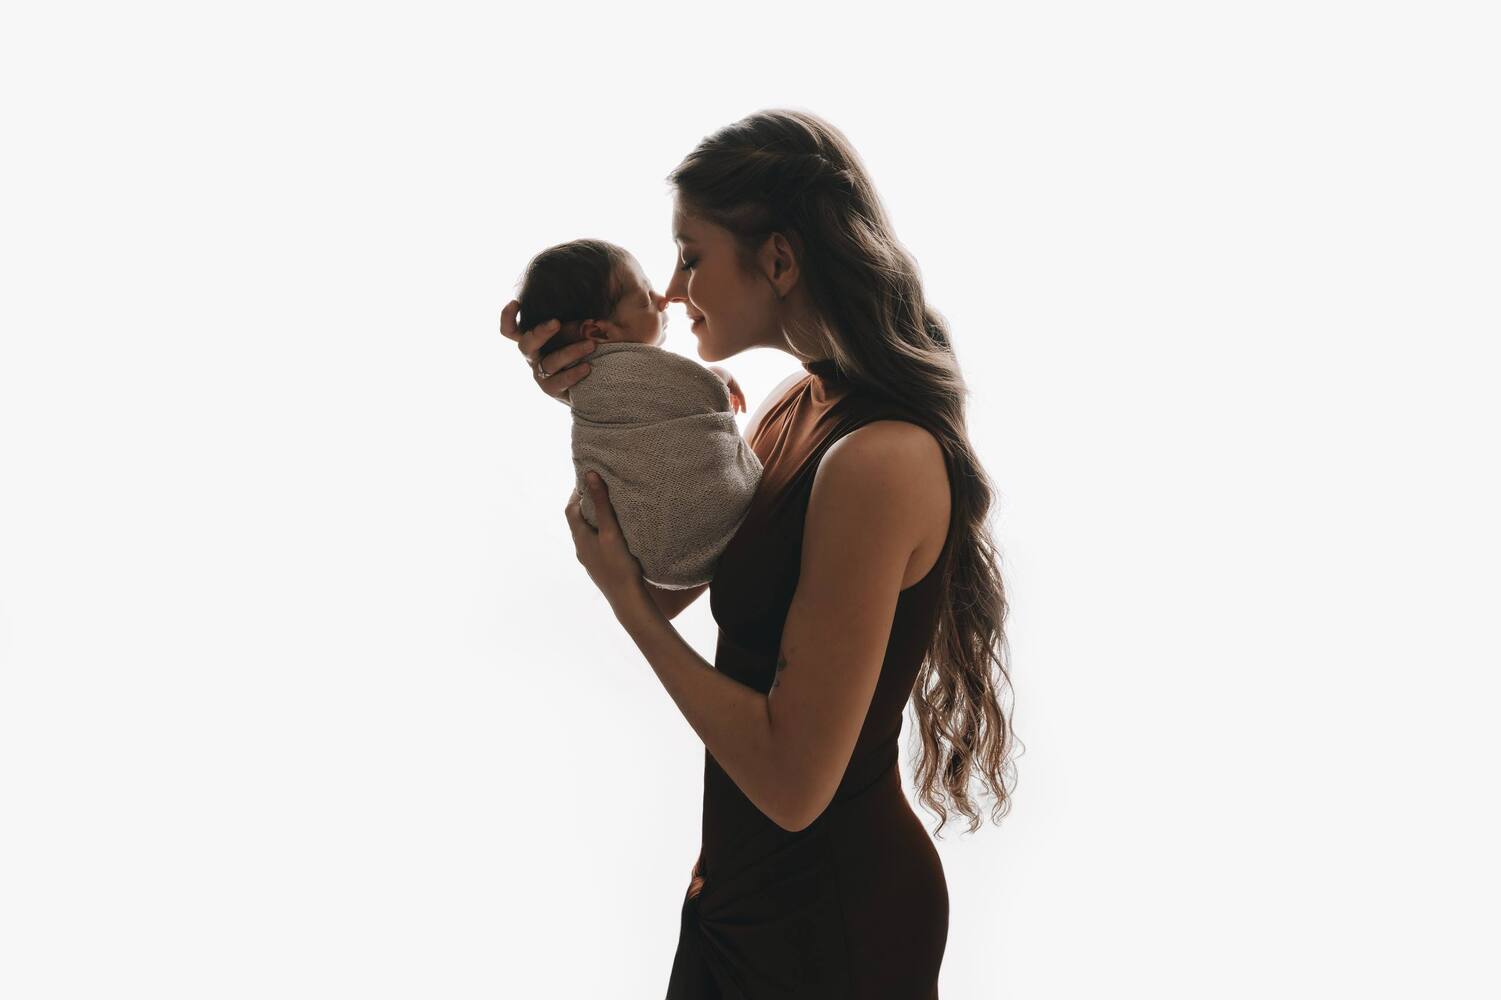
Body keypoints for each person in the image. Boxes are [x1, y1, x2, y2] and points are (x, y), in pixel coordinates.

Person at [500, 108, 1019, 999]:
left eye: (689, 256)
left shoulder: (877, 461)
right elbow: (675, 568)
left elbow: (790, 783)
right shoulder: (787, 408)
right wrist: (606, 399)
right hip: (739, 901)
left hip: (832, 931)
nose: (671, 290)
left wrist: (627, 607)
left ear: (777, 261)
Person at [513, 238, 761, 590]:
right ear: (598, 332)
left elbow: (678, 396)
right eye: (645, 297)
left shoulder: (597, 382)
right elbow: (692, 392)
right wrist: (717, 378)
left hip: (650, 557)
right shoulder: (605, 380)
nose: (664, 297)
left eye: (691, 260)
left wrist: (621, 591)